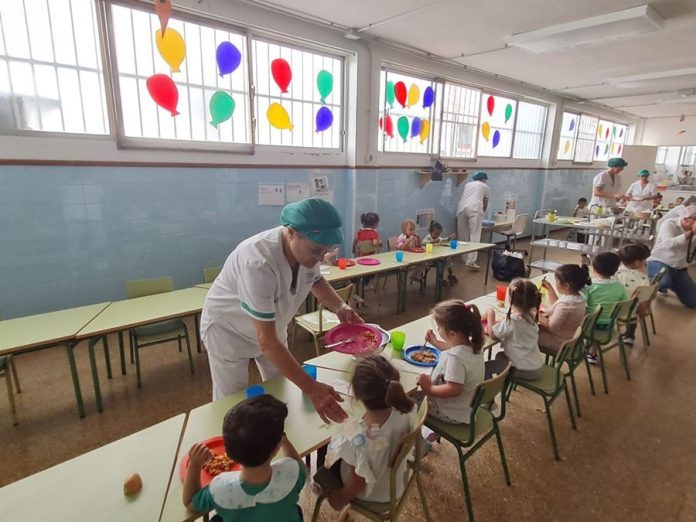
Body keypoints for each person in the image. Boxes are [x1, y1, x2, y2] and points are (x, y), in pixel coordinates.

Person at [200, 198, 362, 422]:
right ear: (291, 232)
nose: (319, 258)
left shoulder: (306, 251)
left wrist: (340, 306)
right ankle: (232, 440)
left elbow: (315, 280)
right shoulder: (257, 262)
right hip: (228, 331)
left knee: (280, 384)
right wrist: (313, 388)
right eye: (316, 251)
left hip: (271, 329)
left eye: (325, 251)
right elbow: (266, 342)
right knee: (232, 401)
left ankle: (278, 431)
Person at [183, 395, 305, 521]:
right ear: (275, 449)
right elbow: (299, 465)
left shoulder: (220, 488)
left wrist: (194, 465)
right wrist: (283, 440)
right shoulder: (292, 473)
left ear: (228, 451)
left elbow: (189, 503)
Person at [316, 355, 416, 510]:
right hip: (394, 481)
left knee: (327, 451)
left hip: (374, 492)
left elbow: (358, 483)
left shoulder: (359, 440)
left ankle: (319, 485)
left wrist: (340, 498)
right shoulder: (407, 408)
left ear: (357, 396)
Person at [416, 300, 485, 424]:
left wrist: (428, 388)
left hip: (451, 413)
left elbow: (453, 390)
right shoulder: (474, 346)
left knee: (407, 401)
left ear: (452, 333)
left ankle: (416, 434)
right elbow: (454, 348)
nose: (437, 329)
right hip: (465, 408)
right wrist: (436, 343)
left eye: (439, 327)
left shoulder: (456, 358)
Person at [485, 278, 544, 380]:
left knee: (485, 367)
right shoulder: (532, 316)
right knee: (500, 356)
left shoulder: (513, 320)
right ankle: (501, 383)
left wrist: (490, 313)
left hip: (524, 371)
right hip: (536, 367)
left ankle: (490, 388)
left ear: (510, 299)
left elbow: (492, 333)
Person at [647, 205, 696, 309]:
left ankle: (673, 281)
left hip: (679, 268)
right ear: (687, 219)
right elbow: (669, 244)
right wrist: (691, 233)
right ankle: (656, 281)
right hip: (659, 261)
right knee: (664, 282)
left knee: (693, 302)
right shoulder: (669, 224)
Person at [583, 252, 628, 364]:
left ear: (594, 269)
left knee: (584, 314)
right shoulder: (620, 287)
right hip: (609, 325)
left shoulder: (590, 285)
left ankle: (578, 346)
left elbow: (582, 301)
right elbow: (625, 304)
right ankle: (592, 352)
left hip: (588, 325)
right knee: (599, 316)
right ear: (616, 269)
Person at [538, 265, 590, 356]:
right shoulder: (578, 298)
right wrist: (549, 287)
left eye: (557, 281)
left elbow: (551, 327)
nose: (556, 283)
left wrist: (535, 313)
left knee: (526, 333)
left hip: (560, 342)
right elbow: (558, 305)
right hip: (569, 336)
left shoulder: (566, 305)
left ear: (566, 285)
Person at [617, 243, 651, 344]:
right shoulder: (643, 278)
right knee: (634, 306)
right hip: (630, 313)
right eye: (644, 260)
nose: (646, 262)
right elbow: (644, 300)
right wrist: (643, 312)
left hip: (612, 310)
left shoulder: (616, 272)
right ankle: (630, 335)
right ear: (636, 262)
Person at [456, 171, 490, 271]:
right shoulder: (485, 186)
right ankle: (471, 261)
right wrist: (482, 213)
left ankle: (464, 258)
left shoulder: (468, 184)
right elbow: (485, 203)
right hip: (475, 209)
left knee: (462, 235)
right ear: (483, 179)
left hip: (461, 209)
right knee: (475, 235)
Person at [423, 220, 458, 285]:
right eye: (435, 233)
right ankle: (441, 279)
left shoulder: (438, 238)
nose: (437, 235)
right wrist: (432, 242)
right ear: (430, 232)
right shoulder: (428, 237)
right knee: (441, 263)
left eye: (438, 234)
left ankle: (450, 274)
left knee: (448, 259)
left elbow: (443, 240)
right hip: (431, 258)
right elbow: (423, 242)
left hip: (438, 256)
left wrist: (449, 238)